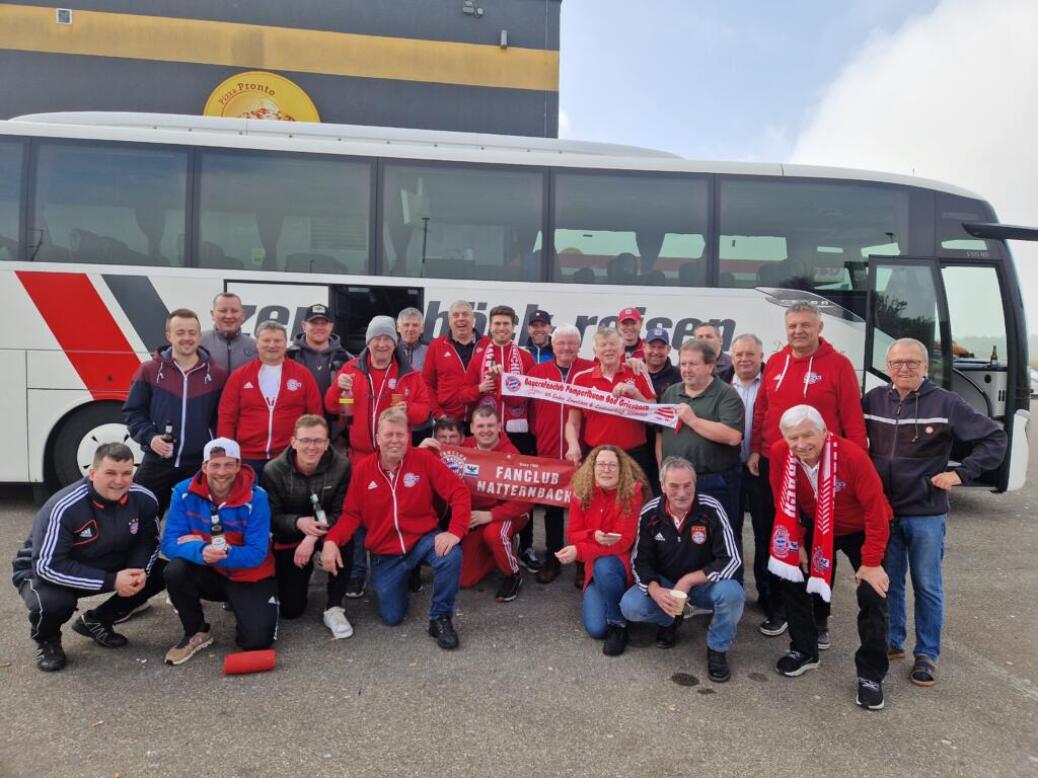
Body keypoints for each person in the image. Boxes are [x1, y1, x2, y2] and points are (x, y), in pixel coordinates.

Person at [863, 337, 1007, 688]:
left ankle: (927, 654)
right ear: (888, 366)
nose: (904, 369)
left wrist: (961, 473)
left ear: (926, 367)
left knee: (927, 585)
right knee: (890, 583)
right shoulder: (873, 400)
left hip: (926, 512)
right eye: (897, 363)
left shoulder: (947, 402)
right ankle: (893, 641)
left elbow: (995, 439)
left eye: (912, 363)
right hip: (887, 512)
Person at [748, 302, 867, 647]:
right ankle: (780, 606)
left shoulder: (839, 365)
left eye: (805, 325)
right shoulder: (776, 363)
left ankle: (820, 616)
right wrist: (757, 447)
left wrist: (855, 464)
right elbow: (763, 410)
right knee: (780, 537)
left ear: (819, 328)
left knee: (819, 542)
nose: (798, 331)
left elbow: (853, 420)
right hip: (777, 463)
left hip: (821, 467)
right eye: (792, 325)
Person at [767, 405, 892, 710]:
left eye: (808, 434)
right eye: (793, 437)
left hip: (859, 526)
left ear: (824, 432)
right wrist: (795, 543)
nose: (801, 444)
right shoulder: (780, 453)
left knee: (872, 593)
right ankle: (805, 650)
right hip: (816, 523)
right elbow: (783, 501)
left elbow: (876, 511)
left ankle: (871, 673)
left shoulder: (851, 456)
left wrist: (872, 562)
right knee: (791, 576)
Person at [321, 408, 470, 650]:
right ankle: (405, 576)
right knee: (392, 618)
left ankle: (440, 617)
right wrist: (331, 541)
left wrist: (455, 530)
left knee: (450, 555)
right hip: (385, 552)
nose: (394, 440)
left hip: (422, 539)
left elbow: (458, 490)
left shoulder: (423, 460)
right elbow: (350, 515)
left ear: (408, 437)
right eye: (388, 434)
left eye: (400, 434)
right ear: (378, 438)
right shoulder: (362, 470)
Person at [11, 443, 160, 671]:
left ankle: (98, 620)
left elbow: (147, 540)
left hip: (102, 561)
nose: (119, 481)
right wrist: (112, 581)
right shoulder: (64, 506)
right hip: (43, 570)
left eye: (126, 473)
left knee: (163, 571)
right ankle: (47, 640)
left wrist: (138, 570)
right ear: (92, 473)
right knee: (54, 603)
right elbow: (47, 565)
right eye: (110, 472)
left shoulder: (144, 499)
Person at [325, 315, 432, 598]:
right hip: (360, 456)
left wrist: (409, 409)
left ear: (394, 343)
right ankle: (358, 572)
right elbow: (332, 406)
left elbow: (425, 412)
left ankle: (409, 569)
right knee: (358, 517)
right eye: (377, 339)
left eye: (387, 339)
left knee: (404, 511)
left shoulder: (409, 374)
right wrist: (338, 386)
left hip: (398, 457)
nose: (382, 344)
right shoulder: (351, 369)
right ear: (368, 342)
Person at [620, 457, 743, 682]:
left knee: (733, 593)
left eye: (687, 485)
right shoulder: (650, 512)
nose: (682, 492)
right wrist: (655, 590)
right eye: (674, 486)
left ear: (695, 485)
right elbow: (640, 560)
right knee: (630, 606)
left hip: (703, 585)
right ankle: (671, 619)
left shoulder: (711, 508)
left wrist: (688, 581)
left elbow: (731, 559)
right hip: (666, 583)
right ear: (663, 486)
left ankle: (717, 649)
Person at [161, 437, 279, 665]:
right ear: (204, 467)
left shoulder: (258, 497)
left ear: (238, 465)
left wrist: (221, 552)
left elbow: (256, 553)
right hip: (210, 571)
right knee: (175, 570)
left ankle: (254, 605)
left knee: (255, 641)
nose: (221, 472)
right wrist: (201, 550)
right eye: (214, 465)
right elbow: (169, 543)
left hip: (248, 575)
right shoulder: (183, 491)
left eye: (228, 464)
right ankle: (196, 631)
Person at [123, 308, 228, 513]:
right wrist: (151, 438)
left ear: (199, 335)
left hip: (198, 465)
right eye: (180, 333)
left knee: (197, 524)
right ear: (169, 336)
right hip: (157, 461)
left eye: (192, 332)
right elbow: (133, 413)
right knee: (139, 517)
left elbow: (222, 419)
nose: (186, 338)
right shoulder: (149, 371)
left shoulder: (217, 375)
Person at [262, 415, 354, 639]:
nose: (311, 447)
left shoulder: (342, 465)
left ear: (326, 443)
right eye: (305, 440)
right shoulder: (273, 470)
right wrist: (297, 522)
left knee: (347, 538)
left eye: (318, 441)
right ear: (293, 441)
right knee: (291, 611)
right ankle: (303, 574)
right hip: (291, 534)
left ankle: (334, 606)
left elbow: (342, 512)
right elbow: (271, 517)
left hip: (326, 532)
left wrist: (313, 537)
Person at [460, 305, 538, 568]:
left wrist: (504, 382)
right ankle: (491, 535)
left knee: (521, 487)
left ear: (513, 327)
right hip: (486, 433)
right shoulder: (479, 355)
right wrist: (480, 387)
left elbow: (527, 397)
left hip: (518, 433)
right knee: (486, 486)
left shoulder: (525, 358)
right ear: (490, 326)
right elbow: (466, 392)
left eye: (506, 324)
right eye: (497, 324)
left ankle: (526, 546)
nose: (502, 328)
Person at [555, 446, 648, 656]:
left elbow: (623, 543)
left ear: (621, 468)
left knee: (604, 564)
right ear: (592, 468)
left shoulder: (633, 493)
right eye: (601, 464)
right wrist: (593, 534)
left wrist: (578, 552)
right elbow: (573, 534)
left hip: (622, 567)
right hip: (595, 569)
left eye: (612, 465)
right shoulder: (581, 493)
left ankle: (618, 624)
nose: (606, 469)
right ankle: (615, 608)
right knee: (596, 630)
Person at [658, 341, 744, 555]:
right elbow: (660, 435)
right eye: (683, 363)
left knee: (723, 536)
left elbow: (733, 437)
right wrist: (663, 468)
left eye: (693, 364)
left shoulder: (726, 394)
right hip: (677, 483)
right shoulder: (671, 393)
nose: (686, 369)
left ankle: (729, 585)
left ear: (710, 366)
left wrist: (693, 421)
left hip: (714, 480)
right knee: (682, 538)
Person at [526, 324, 594, 584]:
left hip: (584, 451)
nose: (566, 348)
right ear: (553, 346)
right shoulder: (539, 371)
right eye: (561, 343)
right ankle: (553, 560)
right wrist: (541, 432)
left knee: (584, 507)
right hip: (549, 449)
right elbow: (530, 408)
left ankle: (581, 561)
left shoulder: (590, 369)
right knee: (553, 510)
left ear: (579, 345)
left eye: (571, 343)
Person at [218, 320, 322, 479]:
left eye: (277, 340)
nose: (272, 345)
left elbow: (315, 417)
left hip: (288, 457)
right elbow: (227, 417)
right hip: (248, 458)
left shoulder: (303, 375)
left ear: (286, 343)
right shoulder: (240, 376)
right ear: (257, 343)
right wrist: (227, 452)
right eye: (266, 340)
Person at [455, 406, 533, 602]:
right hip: (477, 514)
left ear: (499, 426)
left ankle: (512, 574)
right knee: (465, 579)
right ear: (471, 428)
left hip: (509, 513)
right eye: (480, 426)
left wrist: (491, 516)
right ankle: (499, 550)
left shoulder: (512, 455)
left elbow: (525, 500)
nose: (486, 430)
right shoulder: (465, 447)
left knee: (495, 533)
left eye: (491, 425)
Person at [730, 334, 778, 625]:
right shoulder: (722, 385)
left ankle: (767, 594)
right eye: (739, 354)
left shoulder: (772, 384)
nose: (745, 359)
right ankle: (733, 588)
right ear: (731, 357)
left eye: (750, 354)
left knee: (764, 533)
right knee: (731, 533)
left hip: (761, 470)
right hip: (731, 469)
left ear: (761, 357)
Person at [565, 328, 656, 481]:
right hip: (597, 453)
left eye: (613, 344)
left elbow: (654, 414)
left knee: (633, 501)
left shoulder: (638, 373)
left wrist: (635, 394)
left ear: (622, 349)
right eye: (603, 345)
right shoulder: (581, 379)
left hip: (633, 453)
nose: (608, 349)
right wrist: (573, 445)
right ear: (596, 351)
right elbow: (573, 422)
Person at [423, 299, 491, 423]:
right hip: (447, 421)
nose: (460, 318)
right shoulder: (436, 346)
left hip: (481, 421)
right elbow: (427, 385)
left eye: (465, 314)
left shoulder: (488, 344)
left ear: (473, 320)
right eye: (455, 315)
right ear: (449, 321)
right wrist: (439, 415)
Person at [642, 327, 680, 495]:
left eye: (661, 347)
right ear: (644, 347)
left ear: (669, 349)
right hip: (638, 445)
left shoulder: (679, 376)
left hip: (667, 444)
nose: (656, 352)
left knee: (663, 493)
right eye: (652, 346)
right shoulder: (634, 373)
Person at [287, 304, 352, 398]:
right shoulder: (288, 355)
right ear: (304, 326)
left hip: (334, 411)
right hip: (299, 412)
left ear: (331, 327)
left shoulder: (346, 358)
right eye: (314, 323)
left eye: (323, 323)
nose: (319, 327)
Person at [396, 307, 433, 444]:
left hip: (423, 425)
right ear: (398, 328)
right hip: (396, 424)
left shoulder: (430, 352)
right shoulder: (390, 352)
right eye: (406, 325)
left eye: (415, 325)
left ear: (422, 329)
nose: (410, 329)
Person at [200, 292, 257, 374]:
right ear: (212, 314)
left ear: (243, 315)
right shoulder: (199, 343)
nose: (229, 316)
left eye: (234, 311)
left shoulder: (255, 346)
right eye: (223, 311)